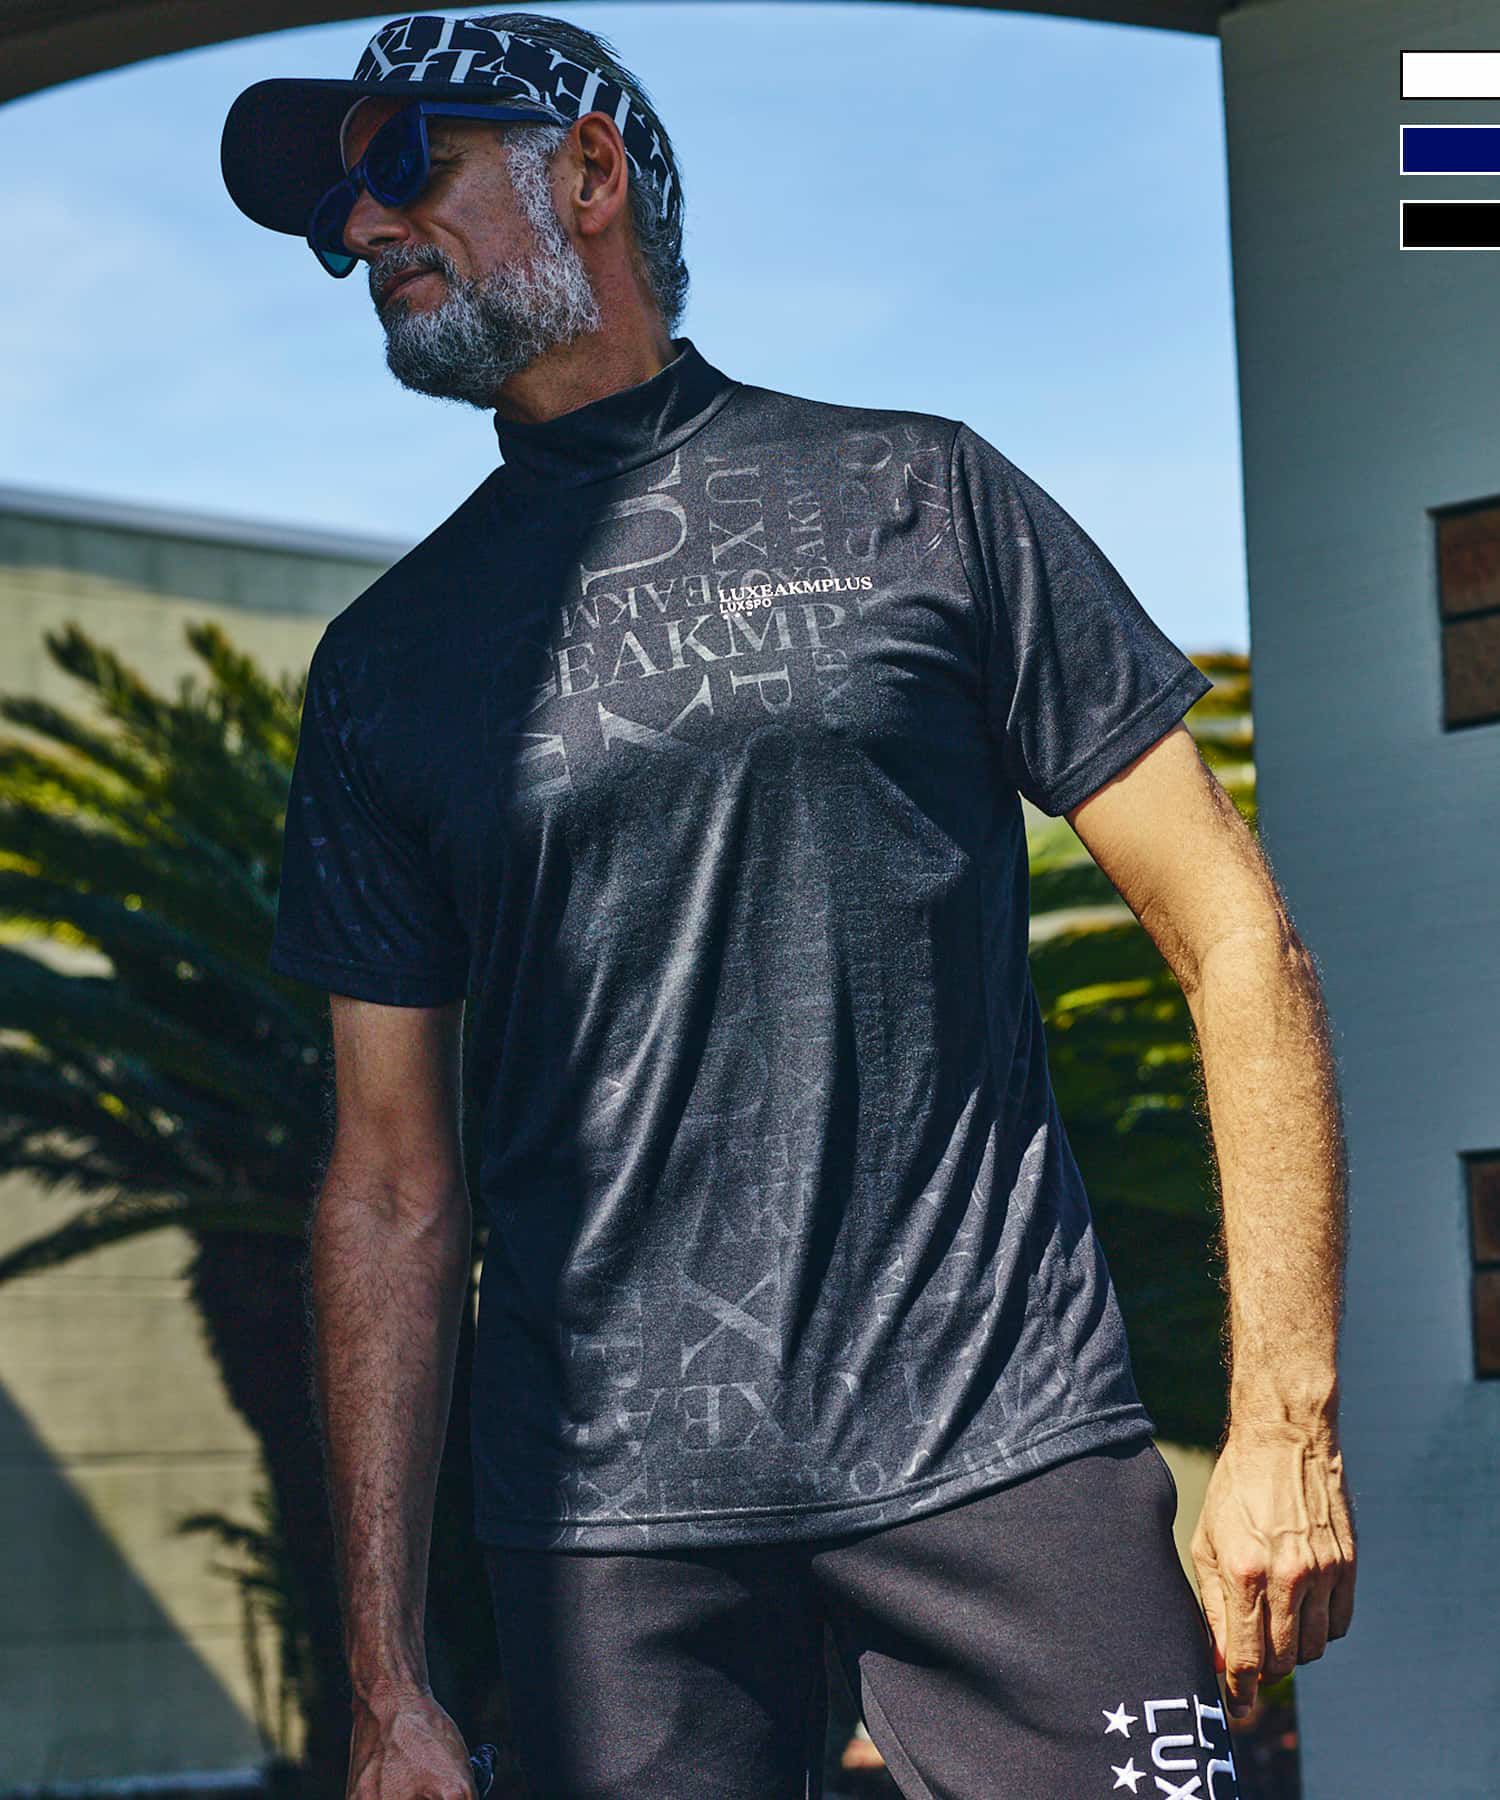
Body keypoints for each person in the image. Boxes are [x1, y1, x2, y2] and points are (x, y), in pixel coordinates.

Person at [221, 12, 1357, 1797]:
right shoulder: (387, 668)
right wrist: (386, 1677)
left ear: (589, 169)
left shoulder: (927, 495)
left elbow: (1234, 934)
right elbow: (386, 1183)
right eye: (332, 209)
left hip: (1003, 1442)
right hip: (609, 1530)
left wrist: (1285, 1422)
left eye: (400, 162)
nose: (360, 228)